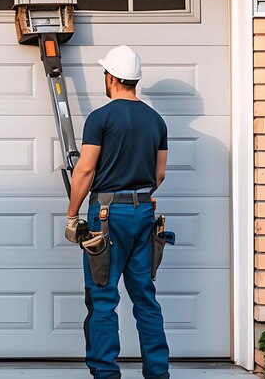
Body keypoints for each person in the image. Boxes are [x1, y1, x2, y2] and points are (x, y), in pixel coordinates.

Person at [63, 45, 170, 379]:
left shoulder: (101, 118)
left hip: (107, 217)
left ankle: (106, 373)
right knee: (145, 297)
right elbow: (159, 174)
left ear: (110, 77)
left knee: (103, 296)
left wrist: (72, 215)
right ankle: (158, 373)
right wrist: (139, 196)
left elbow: (85, 170)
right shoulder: (156, 121)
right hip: (143, 214)